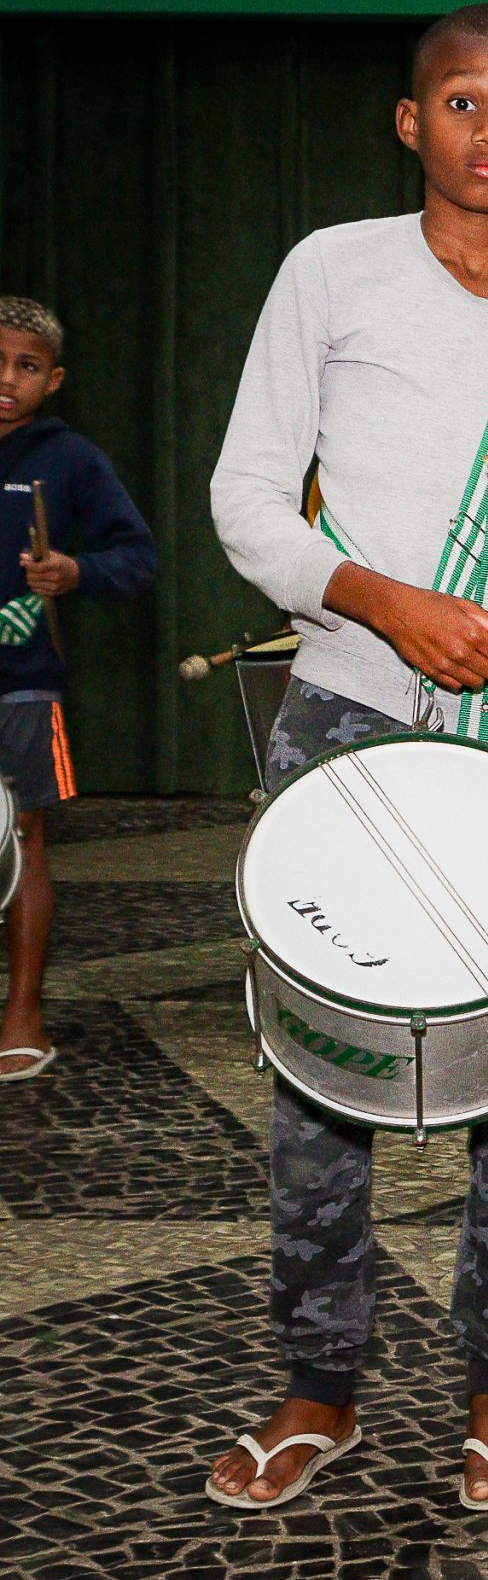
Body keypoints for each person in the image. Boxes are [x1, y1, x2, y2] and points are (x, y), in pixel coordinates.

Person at [205, 4, 488, 1512]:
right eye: (463, 102)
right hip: (348, 716)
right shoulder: (333, 270)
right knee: (320, 1067)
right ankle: (318, 1380)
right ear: (412, 122)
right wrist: (383, 603)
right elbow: (250, 496)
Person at [0, 296, 159, 1083]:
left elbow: (137, 557)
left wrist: (74, 571)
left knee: (24, 839)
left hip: (26, 684)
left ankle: (22, 1013)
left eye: (26, 366)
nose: (7, 379)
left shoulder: (70, 459)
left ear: (53, 379)